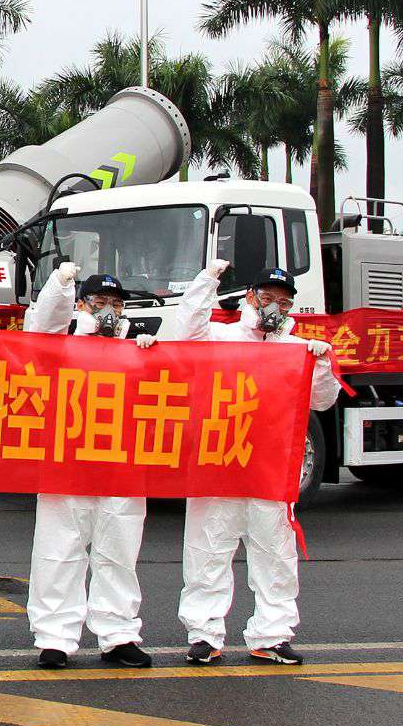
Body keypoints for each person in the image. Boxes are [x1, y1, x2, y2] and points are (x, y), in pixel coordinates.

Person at [171, 260, 340, 666]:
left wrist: (320, 365)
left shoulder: (296, 349)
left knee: (275, 555)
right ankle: (204, 634)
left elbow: (323, 401)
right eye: (267, 297)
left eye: (284, 301)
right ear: (249, 297)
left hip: (270, 468)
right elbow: (186, 332)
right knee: (208, 551)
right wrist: (207, 280)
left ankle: (272, 635)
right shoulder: (221, 337)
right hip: (219, 462)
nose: (274, 307)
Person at [23, 263, 158, 669]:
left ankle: (118, 634)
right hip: (67, 461)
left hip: (121, 463)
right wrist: (60, 284)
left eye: (116, 304)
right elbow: (44, 324)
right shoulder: (61, 340)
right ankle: (55, 638)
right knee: (58, 552)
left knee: (118, 553)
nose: (109, 311)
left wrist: (154, 354)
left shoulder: (135, 346)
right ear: (81, 304)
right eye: (100, 302)